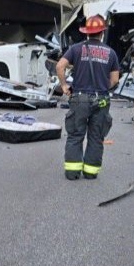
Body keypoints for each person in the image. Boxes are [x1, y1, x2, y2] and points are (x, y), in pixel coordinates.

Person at [56, 15, 120, 180]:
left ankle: (72, 172)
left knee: (75, 135)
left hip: (79, 99)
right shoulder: (111, 53)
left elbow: (60, 66)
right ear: (102, 33)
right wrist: (102, 87)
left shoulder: (76, 49)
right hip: (101, 100)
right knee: (96, 137)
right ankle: (90, 172)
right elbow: (114, 80)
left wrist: (64, 85)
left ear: (87, 33)